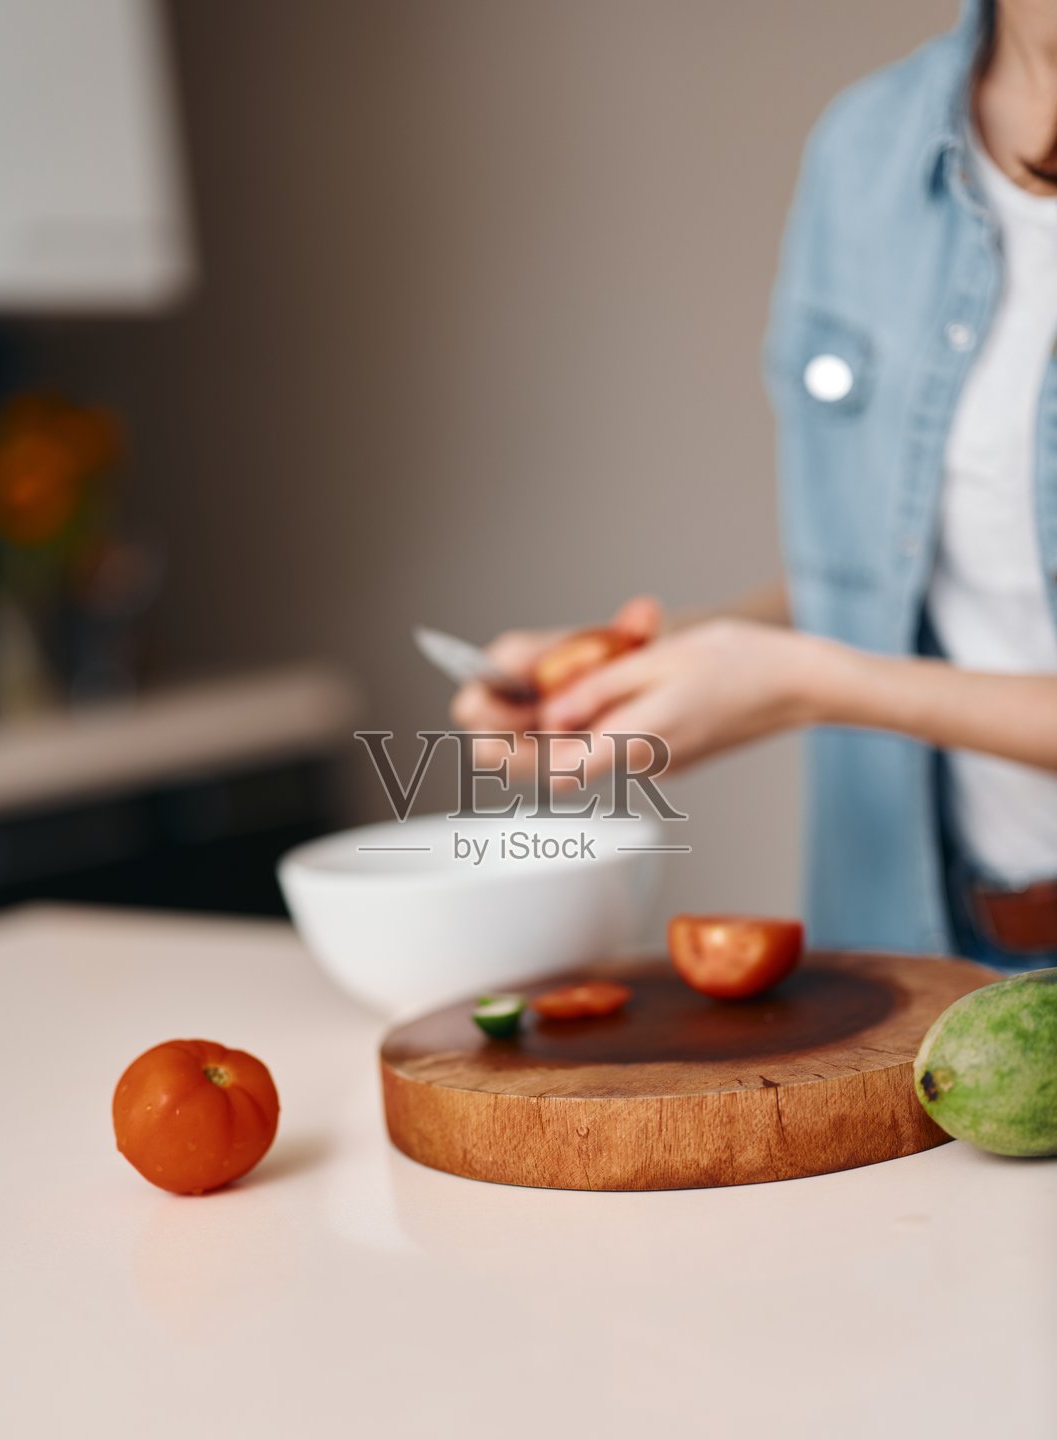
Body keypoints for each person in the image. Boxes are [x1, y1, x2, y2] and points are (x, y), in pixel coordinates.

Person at [452, 0, 1057, 973]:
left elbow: (822, 672)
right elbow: (908, 571)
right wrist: (651, 658)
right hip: (925, 945)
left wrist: (793, 684)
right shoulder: (866, 149)